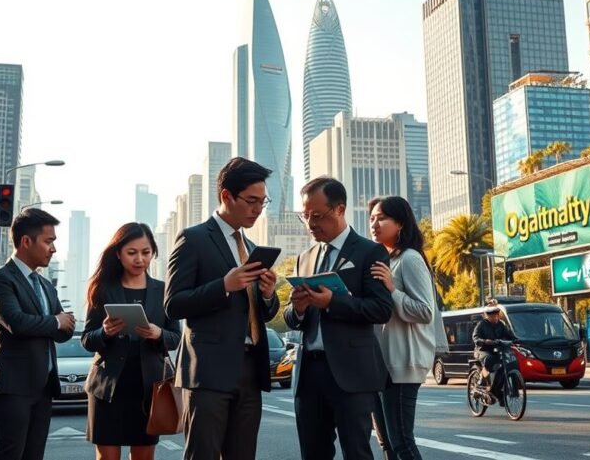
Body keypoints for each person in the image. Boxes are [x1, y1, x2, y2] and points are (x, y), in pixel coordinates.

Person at [164, 157, 280, 460]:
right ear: (226, 196)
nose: (257, 209)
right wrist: (223, 286)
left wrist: (267, 295)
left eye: (262, 201)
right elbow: (173, 304)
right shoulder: (193, 238)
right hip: (208, 370)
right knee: (202, 454)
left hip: (250, 369)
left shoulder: (253, 248)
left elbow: (260, 312)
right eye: (251, 201)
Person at [283, 177, 393, 460]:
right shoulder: (304, 257)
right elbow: (291, 318)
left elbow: (381, 309)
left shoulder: (370, 252)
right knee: (313, 453)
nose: (310, 224)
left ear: (340, 209)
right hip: (308, 374)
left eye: (316, 216)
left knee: (356, 452)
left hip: (352, 374)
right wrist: (298, 309)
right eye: (304, 216)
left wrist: (334, 302)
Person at [0, 208, 76, 460]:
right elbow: (17, 323)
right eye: (48, 241)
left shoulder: (45, 284)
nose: (53, 249)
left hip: (43, 387)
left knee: (34, 456)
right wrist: (56, 321)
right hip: (11, 387)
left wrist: (62, 324)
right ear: (26, 241)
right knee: (8, 455)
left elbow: (64, 330)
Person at [82, 222, 182, 460]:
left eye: (146, 252)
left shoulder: (163, 291)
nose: (139, 259)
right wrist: (105, 331)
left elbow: (175, 338)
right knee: (107, 456)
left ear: (153, 253)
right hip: (108, 387)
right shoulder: (102, 290)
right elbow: (87, 339)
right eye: (132, 252)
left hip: (148, 388)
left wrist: (158, 334)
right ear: (118, 254)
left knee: (144, 456)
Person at [367, 196, 436, 460]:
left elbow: (425, 311)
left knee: (402, 443)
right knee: (386, 443)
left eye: (382, 218)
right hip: (379, 364)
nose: (374, 223)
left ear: (400, 223)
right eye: (372, 218)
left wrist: (392, 290)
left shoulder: (409, 258)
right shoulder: (384, 260)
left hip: (402, 364)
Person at [472, 305, 519, 389]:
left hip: (498, 350)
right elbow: (475, 338)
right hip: (483, 350)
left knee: (511, 361)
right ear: (487, 316)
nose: (494, 318)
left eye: (496, 316)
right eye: (491, 316)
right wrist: (484, 341)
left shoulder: (501, 325)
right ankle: (482, 381)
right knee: (488, 360)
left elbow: (510, 335)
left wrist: (516, 341)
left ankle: (500, 385)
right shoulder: (481, 325)